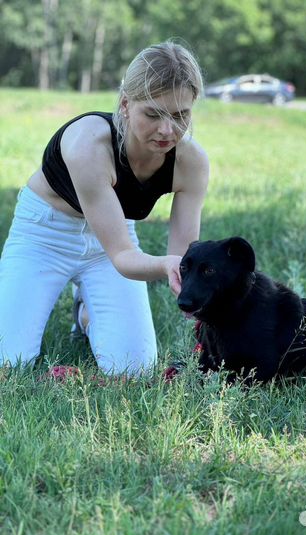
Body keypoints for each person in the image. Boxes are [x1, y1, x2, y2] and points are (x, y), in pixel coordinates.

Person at [0, 41, 209, 375]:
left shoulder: (191, 162)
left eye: (180, 115)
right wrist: (168, 264)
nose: (167, 130)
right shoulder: (89, 143)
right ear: (126, 104)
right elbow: (124, 258)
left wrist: (193, 286)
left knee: (134, 369)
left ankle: (86, 313)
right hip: (44, 235)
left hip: (110, 238)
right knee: (9, 363)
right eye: (153, 114)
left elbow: (182, 256)